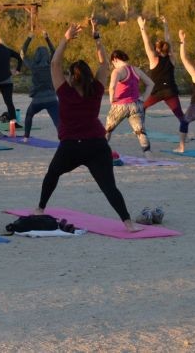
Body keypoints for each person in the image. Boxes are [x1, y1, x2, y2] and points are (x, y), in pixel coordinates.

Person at [33, 20, 140, 232]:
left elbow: (55, 64)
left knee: (52, 174)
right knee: (109, 187)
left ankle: (40, 209)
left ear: (72, 77)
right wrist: (97, 38)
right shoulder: (96, 89)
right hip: (96, 146)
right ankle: (128, 223)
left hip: (71, 146)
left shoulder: (65, 92)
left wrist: (66, 39)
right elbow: (103, 65)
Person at [138, 16, 188, 153]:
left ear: (157, 50)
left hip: (156, 92)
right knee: (182, 118)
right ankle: (182, 146)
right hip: (170, 91)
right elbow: (169, 42)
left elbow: (146, 42)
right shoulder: (172, 58)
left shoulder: (153, 59)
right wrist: (166, 26)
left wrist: (142, 27)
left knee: (140, 108)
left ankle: (141, 133)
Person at [104, 50, 154, 153]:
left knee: (107, 130)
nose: (113, 65)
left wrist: (111, 99)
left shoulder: (117, 71)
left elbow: (112, 86)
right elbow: (151, 84)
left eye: (113, 63)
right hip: (136, 104)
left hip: (120, 105)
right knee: (141, 132)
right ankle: (148, 155)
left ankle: (100, 152)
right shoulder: (136, 70)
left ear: (115, 59)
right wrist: (144, 97)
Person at [20, 30, 58, 140]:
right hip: (52, 99)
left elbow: (22, 53)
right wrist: (47, 38)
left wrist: (29, 37)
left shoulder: (33, 66)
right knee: (58, 122)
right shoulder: (51, 64)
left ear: (37, 56)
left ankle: (26, 137)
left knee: (29, 115)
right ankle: (64, 140)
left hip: (38, 100)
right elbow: (54, 52)